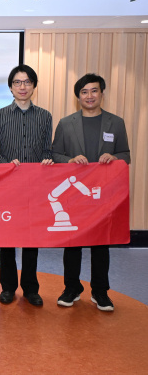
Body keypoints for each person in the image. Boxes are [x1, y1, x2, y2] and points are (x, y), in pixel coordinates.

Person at [52, 73, 130, 312]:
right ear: (78, 97)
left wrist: (114, 157)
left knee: (101, 244)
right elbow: (55, 155)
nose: (89, 96)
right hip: (76, 195)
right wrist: (71, 159)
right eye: (84, 92)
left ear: (101, 94)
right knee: (72, 243)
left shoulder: (115, 123)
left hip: (103, 195)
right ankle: (71, 288)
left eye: (94, 91)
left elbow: (126, 155)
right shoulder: (66, 123)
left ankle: (100, 292)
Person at [0, 64, 53, 307]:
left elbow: (48, 149)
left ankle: (30, 288)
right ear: (10, 87)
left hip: (35, 187)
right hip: (7, 186)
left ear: (34, 86)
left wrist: (48, 160)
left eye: (27, 82)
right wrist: (7, 163)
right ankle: (7, 288)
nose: (22, 86)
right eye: (17, 82)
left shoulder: (45, 116)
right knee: (7, 240)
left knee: (31, 239)